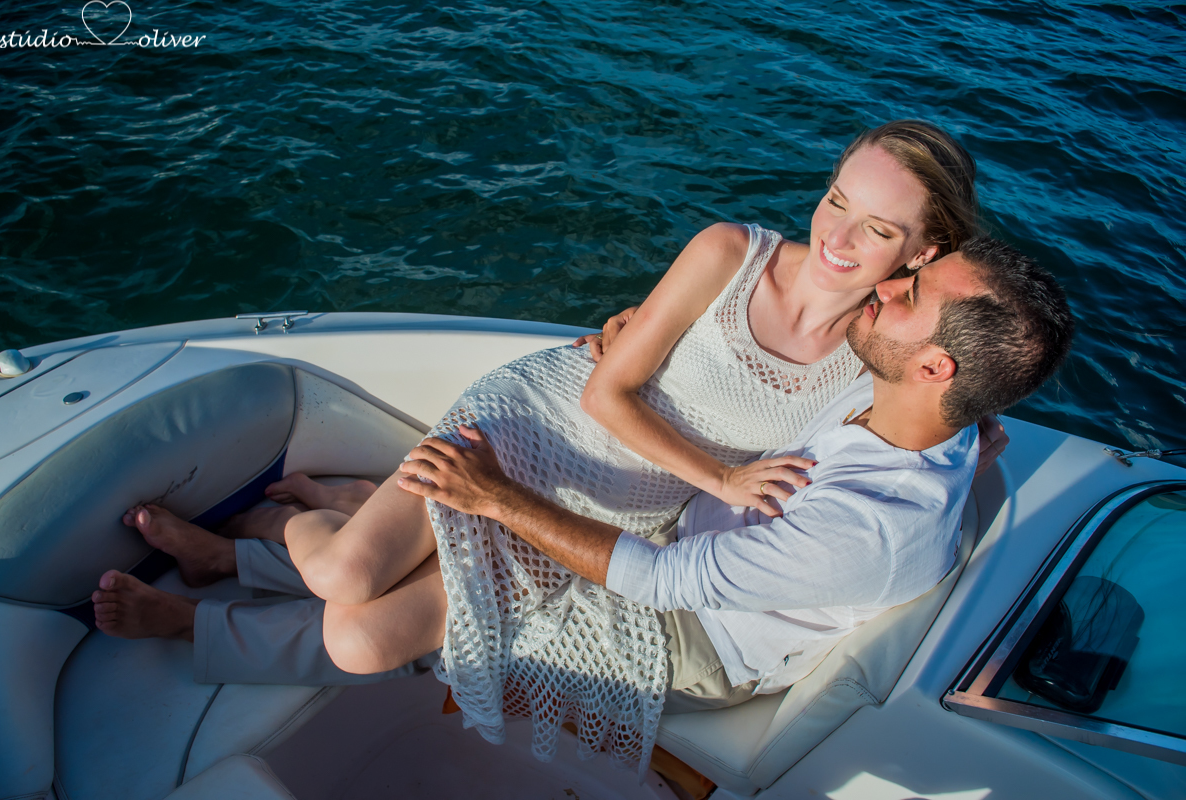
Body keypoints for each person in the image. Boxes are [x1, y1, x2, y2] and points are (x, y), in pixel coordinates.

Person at [95, 120, 983, 770]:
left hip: (629, 505)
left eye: (878, 229)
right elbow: (607, 389)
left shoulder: (879, 359)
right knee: (344, 579)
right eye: (838, 200)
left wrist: (985, 434)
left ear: (923, 250)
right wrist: (720, 474)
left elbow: (958, 403)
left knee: (366, 640)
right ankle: (263, 538)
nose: (837, 235)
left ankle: (246, 559)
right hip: (547, 422)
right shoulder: (731, 252)